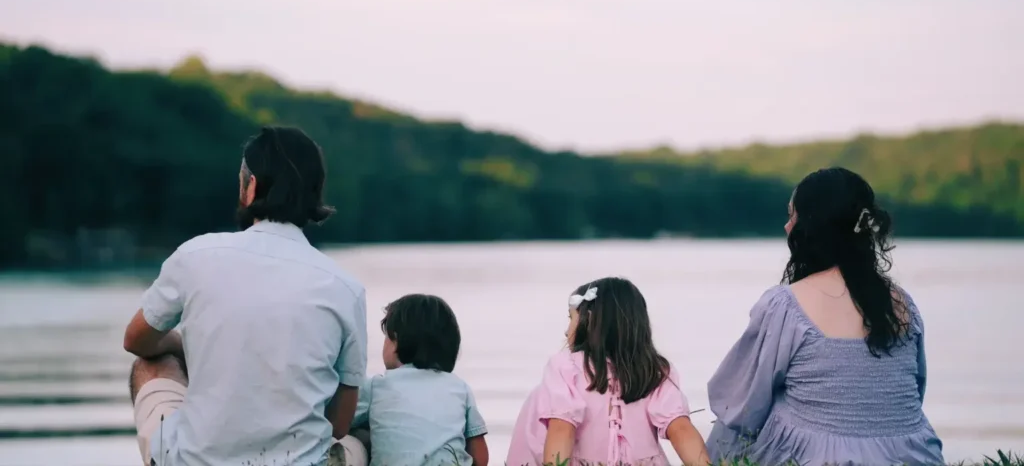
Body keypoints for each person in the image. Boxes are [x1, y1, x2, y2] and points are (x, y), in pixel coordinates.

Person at [123, 126, 369, 466]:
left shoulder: (196, 255)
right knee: (357, 443)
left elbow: (136, 340)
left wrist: (182, 346)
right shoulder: (346, 288)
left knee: (148, 364)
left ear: (250, 186)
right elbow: (339, 423)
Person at [705, 167, 944, 466]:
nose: (786, 227)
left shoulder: (786, 305)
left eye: (792, 216)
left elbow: (740, 405)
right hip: (914, 456)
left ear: (812, 225)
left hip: (821, 458)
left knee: (742, 411)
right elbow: (916, 392)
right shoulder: (902, 302)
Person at [505, 277, 710, 466]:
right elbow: (680, 428)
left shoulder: (565, 366)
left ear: (590, 319)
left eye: (571, 318)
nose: (566, 330)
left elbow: (561, 428)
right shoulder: (655, 370)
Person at [351, 294, 489, 466]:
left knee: (356, 436)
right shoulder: (460, 388)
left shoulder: (376, 386)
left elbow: (342, 420)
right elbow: (479, 452)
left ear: (395, 341)